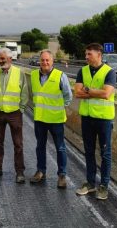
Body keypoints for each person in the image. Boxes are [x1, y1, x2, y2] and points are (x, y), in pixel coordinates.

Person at [74, 43, 116, 200]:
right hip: (87, 118)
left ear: (99, 54)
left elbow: (106, 94)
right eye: (85, 54)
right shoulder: (82, 71)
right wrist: (93, 92)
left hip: (104, 119)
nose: (86, 57)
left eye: (89, 54)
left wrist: (87, 90)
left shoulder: (109, 72)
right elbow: (77, 93)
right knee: (89, 151)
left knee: (105, 153)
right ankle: (90, 183)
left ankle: (104, 186)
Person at [29, 50, 72, 188]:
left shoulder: (60, 76)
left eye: (47, 60)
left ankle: (62, 175)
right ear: (39, 61)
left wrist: (60, 106)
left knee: (60, 148)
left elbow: (68, 96)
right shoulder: (34, 74)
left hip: (56, 119)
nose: (45, 63)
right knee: (40, 147)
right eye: (42, 60)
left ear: (52, 61)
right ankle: (41, 171)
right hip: (40, 118)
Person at [0, 47, 29, 183]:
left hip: (14, 113)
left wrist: (21, 109)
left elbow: (24, 93)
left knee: (18, 144)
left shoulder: (19, 73)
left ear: (10, 59)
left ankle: (20, 172)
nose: (0, 61)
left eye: (2, 59)